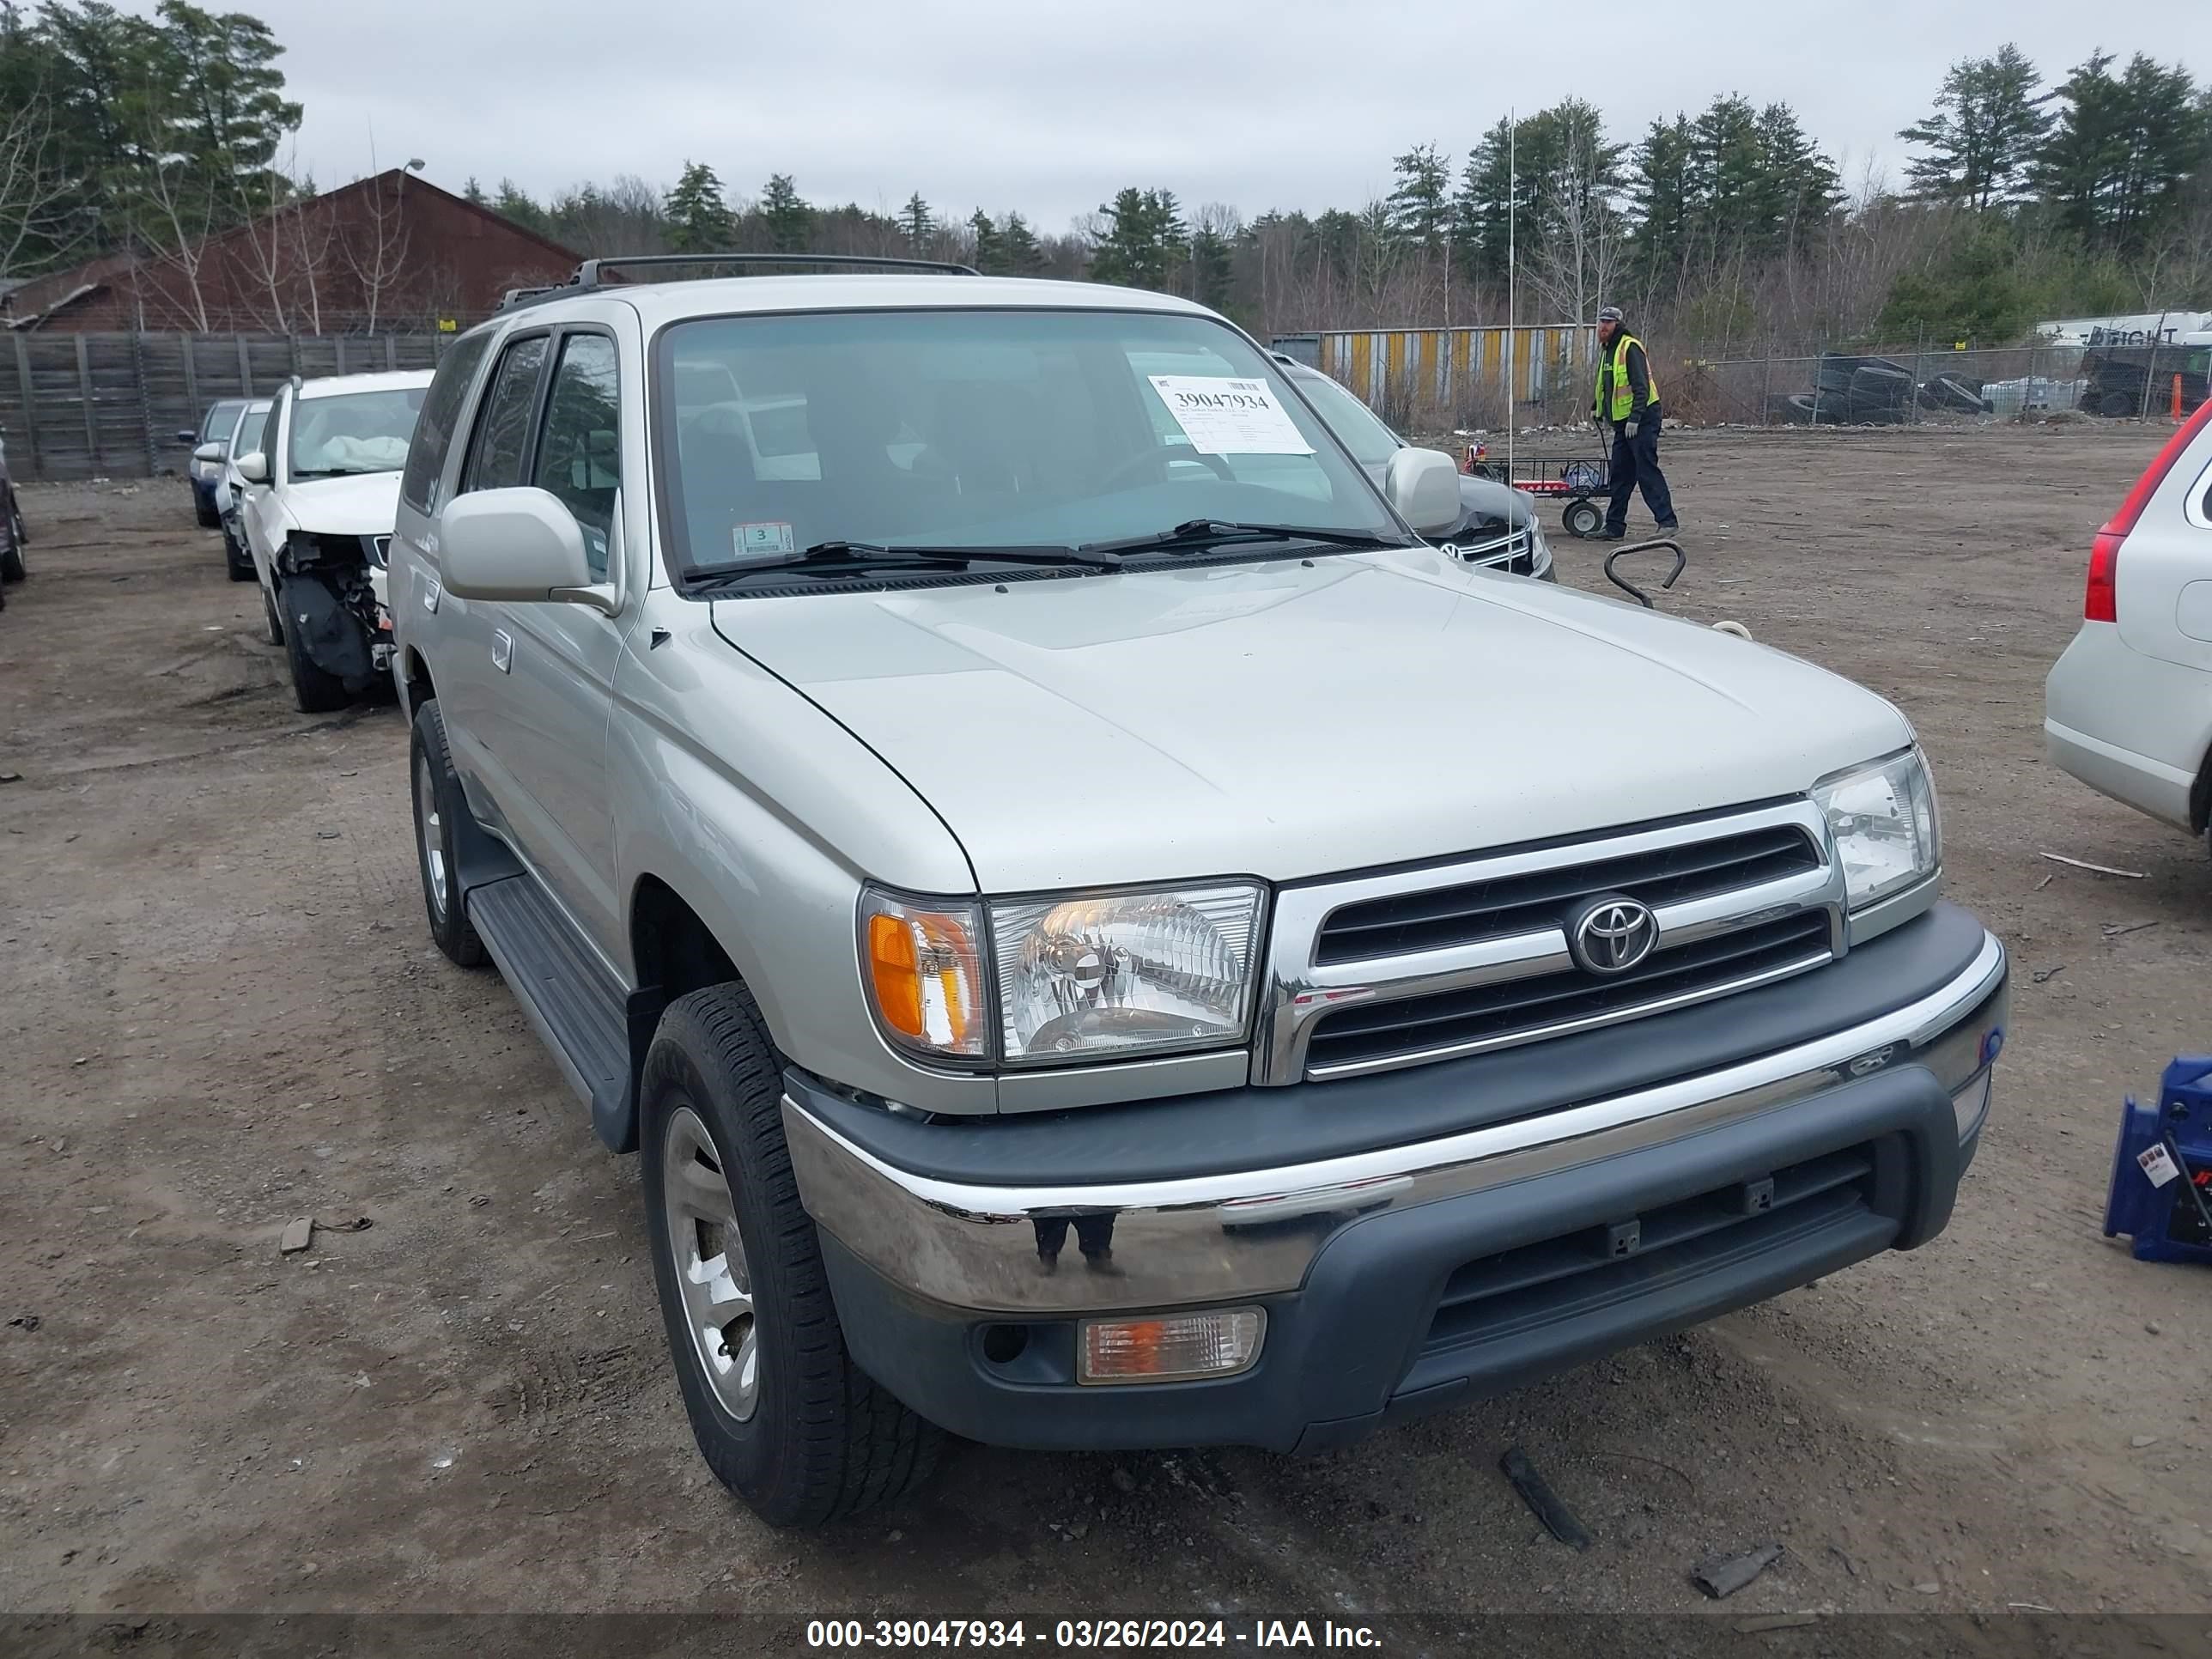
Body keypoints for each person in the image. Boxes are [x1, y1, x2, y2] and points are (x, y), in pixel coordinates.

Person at [1590, 305, 1677, 539]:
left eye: (1608, 322)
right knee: (1620, 474)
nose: (1603, 327)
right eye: (1601, 322)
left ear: (1617, 324)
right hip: (1622, 423)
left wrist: (1636, 418)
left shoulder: (1629, 347)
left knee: (1646, 470)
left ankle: (1667, 522)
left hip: (1642, 419)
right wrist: (1597, 408)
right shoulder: (1607, 350)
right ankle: (1614, 527)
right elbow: (1606, 385)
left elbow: (1642, 387)